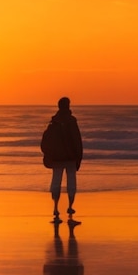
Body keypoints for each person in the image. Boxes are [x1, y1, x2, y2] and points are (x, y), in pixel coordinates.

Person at [40, 97, 83, 226]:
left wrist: (48, 154)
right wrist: (79, 156)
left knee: (56, 181)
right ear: (68, 106)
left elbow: (45, 142)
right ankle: (70, 209)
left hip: (57, 158)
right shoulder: (71, 121)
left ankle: (56, 208)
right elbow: (77, 141)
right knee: (71, 182)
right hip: (70, 157)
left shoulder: (53, 123)